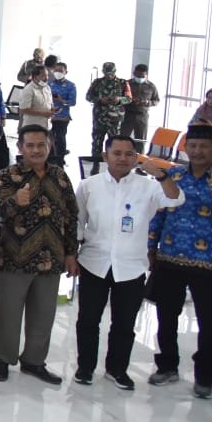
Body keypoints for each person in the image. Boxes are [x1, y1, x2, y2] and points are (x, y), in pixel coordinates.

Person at [73, 134, 182, 390]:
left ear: (136, 158)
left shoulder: (149, 186)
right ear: (105, 156)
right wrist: (71, 255)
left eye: (129, 154)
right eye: (117, 153)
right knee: (88, 320)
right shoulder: (89, 185)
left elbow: (176, 198)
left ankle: (117, 369)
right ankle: (85, 367)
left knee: (124, 323)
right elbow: (78, 223)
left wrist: (162, 175)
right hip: (94, 263)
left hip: (131, 266)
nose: (123, 158)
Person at [0, 125, 79, 385]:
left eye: (41, 145)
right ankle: (2, 360)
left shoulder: (60, 176)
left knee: (44, 315)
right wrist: (15, 200)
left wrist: (71, 253)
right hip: (14, 258)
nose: (36, 150)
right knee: (8, 314)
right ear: (20, 147)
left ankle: (34, 361)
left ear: (49, 146)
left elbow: (71, 216)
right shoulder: (8, 175)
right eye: (30, 145)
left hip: (51, 259)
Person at [147, 124, 212, 399]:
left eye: (204, 146)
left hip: (211, 263)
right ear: (186, 148)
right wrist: (151, 247)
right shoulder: (174, 176)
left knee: (210, 322)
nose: (197, 151)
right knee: (166, 316)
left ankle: (204, 374)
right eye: (192, 145)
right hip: (170, 257)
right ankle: (167, 366)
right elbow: (159, 214)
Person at [84, 62, 129, 163]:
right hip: (99, 117)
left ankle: (114, 164)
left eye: (111, 73)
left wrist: (119, 99)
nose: (109, 75)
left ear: (115, 71)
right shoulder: (97, 82)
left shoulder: (123, 83)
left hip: (115, 119)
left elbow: (129, 98)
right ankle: (96, 165)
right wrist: (100, 99)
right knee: (97, 143)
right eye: (106, 73)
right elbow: (88, 96)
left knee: (115, 144)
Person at [120, 64, 160, 144]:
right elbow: (119, 98)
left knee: (141, 141)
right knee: (123, 139)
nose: (140, 78)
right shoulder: (127, 84)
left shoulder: (151, 86)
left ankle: (139, 152)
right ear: (134, 73)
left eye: (142, 76)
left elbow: (156, 100)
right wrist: (128, 100)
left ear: (146, 75)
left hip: (142, 116)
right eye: (138, 75)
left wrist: (147, 102)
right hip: (128, 115)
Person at [48, 60, 76, 165]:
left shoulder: (70, 85)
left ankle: (60, 159)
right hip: (49, 115)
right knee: (49, 137)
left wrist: (61, 100)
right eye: (56, 70)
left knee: (60, 137)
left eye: (60, 71)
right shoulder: (48, 84)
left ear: (65, 72)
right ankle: (50, 158)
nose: (58, 73)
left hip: (62, 117)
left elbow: (72, 102)